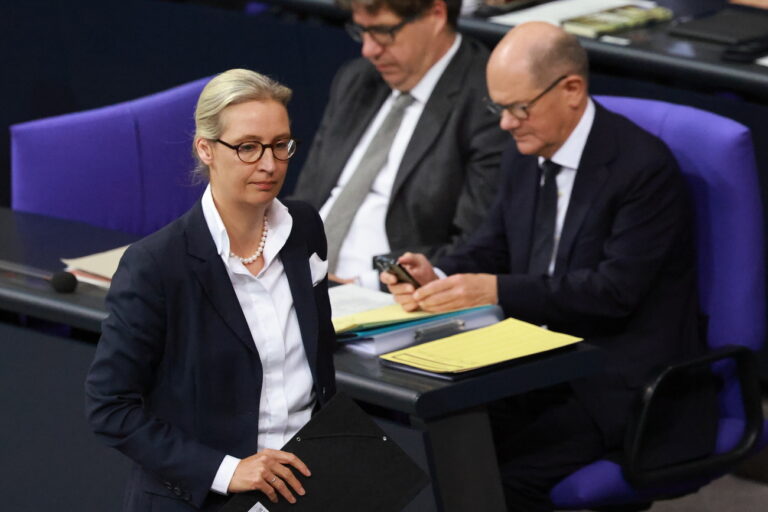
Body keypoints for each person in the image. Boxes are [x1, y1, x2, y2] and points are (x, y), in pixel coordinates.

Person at [382, 23, 716, 511]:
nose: (505, 124)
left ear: (572, 91)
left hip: (612, 381)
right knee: (428, 447)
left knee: (487, 481)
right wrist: (439, 273)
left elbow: (612, 292)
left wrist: (495, 291)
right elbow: (491, 247)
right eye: (498, 108)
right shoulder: (527, 152)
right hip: (530, 367)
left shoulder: (643, 170)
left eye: (519, 108)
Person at [85, 69, 336, 512]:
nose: (269, 164)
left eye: (281, 144)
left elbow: (319, 363)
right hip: (203, 500)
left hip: (304, 491)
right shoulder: (157, 265)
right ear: (206, 150)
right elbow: (110, 408)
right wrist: (227, 470)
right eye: (248, 147)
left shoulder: (305, 228)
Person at [291, 0, 507, 289]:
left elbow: (475, 245)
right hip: (299, 277)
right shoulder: (357, 80)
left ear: (436, 14)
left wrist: (367, 283)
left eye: (383, 31)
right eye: (361, 31)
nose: (369, 49)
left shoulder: (488, 101)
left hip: (387, 294)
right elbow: (307, 198)